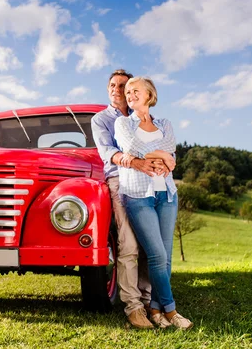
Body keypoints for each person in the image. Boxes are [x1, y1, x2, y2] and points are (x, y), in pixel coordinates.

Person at [114, 76, 193, 330]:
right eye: (127, 92)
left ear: (149, 94)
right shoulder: (122, 123)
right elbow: (131, 146)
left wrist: (163, 154)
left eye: (135, 90)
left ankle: (156, 311)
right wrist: (162, 155)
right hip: (138, 195)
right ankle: (172, 311)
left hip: (167, 194)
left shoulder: (165, 123)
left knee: (166, 258)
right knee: (157, 256)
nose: (129, 95)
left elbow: (171, 148)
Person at [91, 69, 164, 329]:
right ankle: (132, 307)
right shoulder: (101, 119)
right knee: (128, 243)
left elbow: (161, 147)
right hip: (119, 181)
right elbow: (107, 152)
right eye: (112, 85)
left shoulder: (144, 119)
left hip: (149, 181)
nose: (115, 89)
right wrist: (136, 162)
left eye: (122, 85)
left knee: (150, 244)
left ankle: (146, 300)